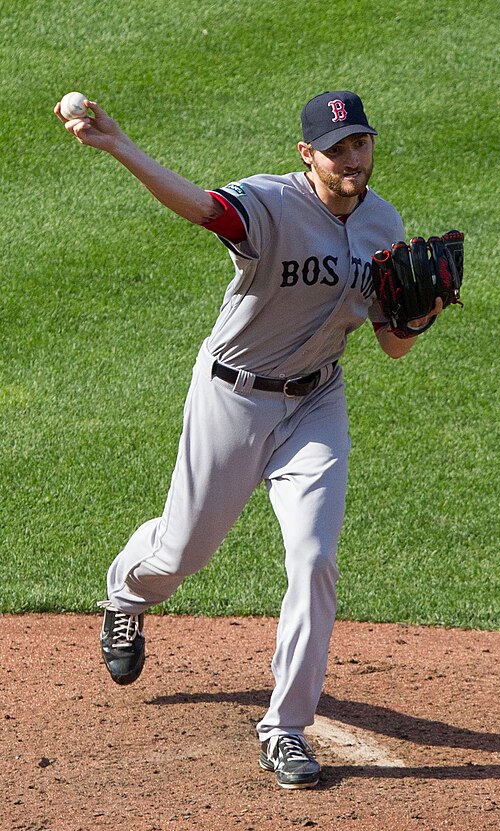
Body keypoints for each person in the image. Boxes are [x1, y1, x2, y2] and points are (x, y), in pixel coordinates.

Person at [55, 89, 441, 790]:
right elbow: (203, 207)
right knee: (181, 550)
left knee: (315, 556)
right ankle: (125, 596)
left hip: (316, 402)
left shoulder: (385, 222)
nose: (352, 158)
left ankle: (285, 728)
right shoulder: (270, 204)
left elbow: (389, 344)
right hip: (232, 395)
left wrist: (421, 316)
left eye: (361, 143)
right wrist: (119, 146)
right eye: (337, 148)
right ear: (308, 155)